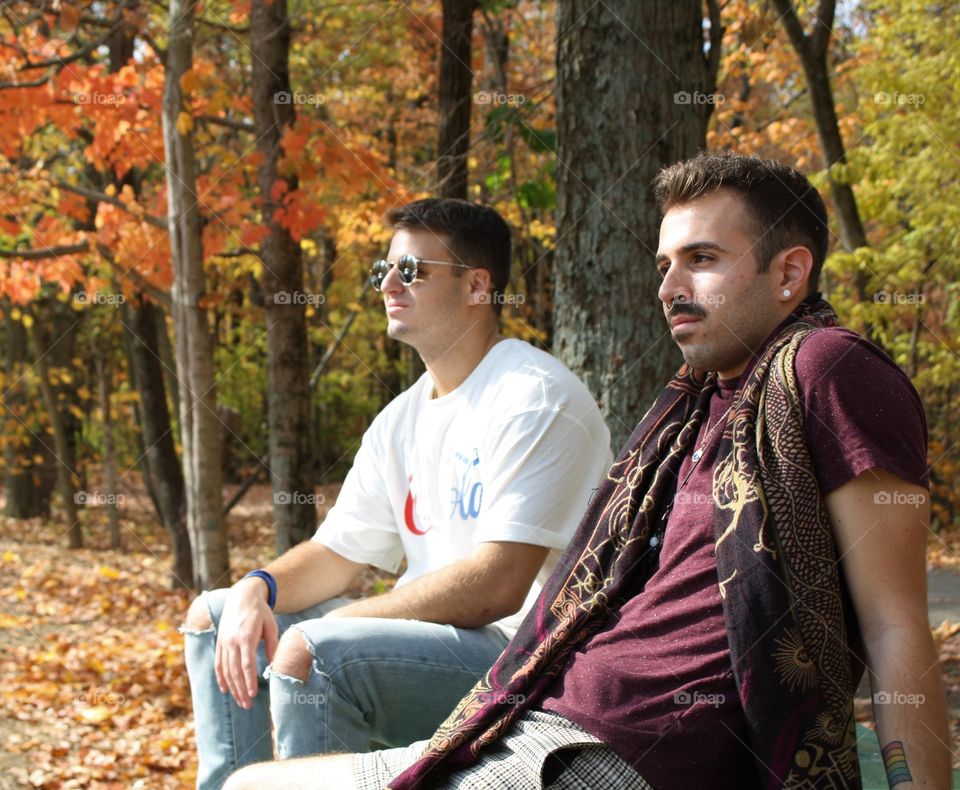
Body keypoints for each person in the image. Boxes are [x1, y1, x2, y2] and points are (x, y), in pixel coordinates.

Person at [222, 152, 951, 790]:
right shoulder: (693, 411)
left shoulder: (830, 369)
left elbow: (893, 625)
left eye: (701, 259)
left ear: (790, 271)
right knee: (248, 782)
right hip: (532, 727)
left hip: (604, 761)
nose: (669, 287)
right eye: (664, 265)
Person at [182, 197, 612, 789]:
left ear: (477, 286)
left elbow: (497, 585)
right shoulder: (400, 418)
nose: (388, 283)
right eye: (381, 270)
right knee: (217, 614)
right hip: (441, 644)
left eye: (411, 270)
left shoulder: (534, 398)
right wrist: (260, 586)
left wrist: (337, 624)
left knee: (317, 652)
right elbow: (337, 553)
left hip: (528, 664)